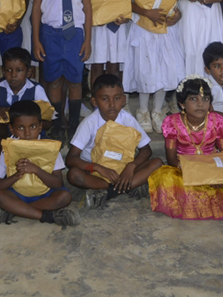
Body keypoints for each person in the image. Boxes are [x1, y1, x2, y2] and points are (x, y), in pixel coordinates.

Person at [148, 76, 223, 220]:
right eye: (193, 99)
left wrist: (218, 175)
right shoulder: (172, 123)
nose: (200, 104)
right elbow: (171, 159)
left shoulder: (217, 122)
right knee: (169, 181)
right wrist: (194, 174)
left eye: (205, 99)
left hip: (211, 166)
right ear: (182, 103)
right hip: (184, 168)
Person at [31, 0, 92, 140]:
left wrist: (88, 40)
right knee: (54, 80)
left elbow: (87, 7)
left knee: (75, 81)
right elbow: (36, 8)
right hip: (51, 33)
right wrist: (36, 40)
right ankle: (58, 123)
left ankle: (74, 124)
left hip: (74, 34)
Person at [123, 0, 184, 134]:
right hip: (143, 26)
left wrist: (176, 14)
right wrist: (145, 12)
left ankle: (158, 110)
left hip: (163, 28)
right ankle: (142, 110)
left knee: (162, 67)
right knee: (145, 68)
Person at [66, 74, 162, 208]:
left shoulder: (128, 120)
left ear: (123, 100)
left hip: (123, 171)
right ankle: (126, 187)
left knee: (157, 163)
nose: (112, 104)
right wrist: (97, 167)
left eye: (117, 98)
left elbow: (146, 150)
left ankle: (109, 192)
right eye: (105, 99)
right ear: (94, 101)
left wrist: (131, 166)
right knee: (74, 175)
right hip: (97, 173)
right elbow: (70, 159)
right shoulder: (89, 123)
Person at [0, 100, 80, 227]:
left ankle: (16, 210)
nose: (27, 133)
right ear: (11, 129)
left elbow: (58, 183)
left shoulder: (50, 147)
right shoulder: (8, 150)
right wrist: (16, 176)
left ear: (40, 126)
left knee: (65, 196)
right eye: (20, 128)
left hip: (45, 194)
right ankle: (45, 216)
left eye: (33, 126)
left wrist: (36, 170)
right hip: (18, 194)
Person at [0, 47, 51, 158]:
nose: (13, 75)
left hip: (31, 133)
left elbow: (48, 122)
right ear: (3, 71)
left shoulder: (36, 90)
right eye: (9, 70)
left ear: (29, 72)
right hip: (9, 133)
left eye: (19, 70)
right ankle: (3, 163)